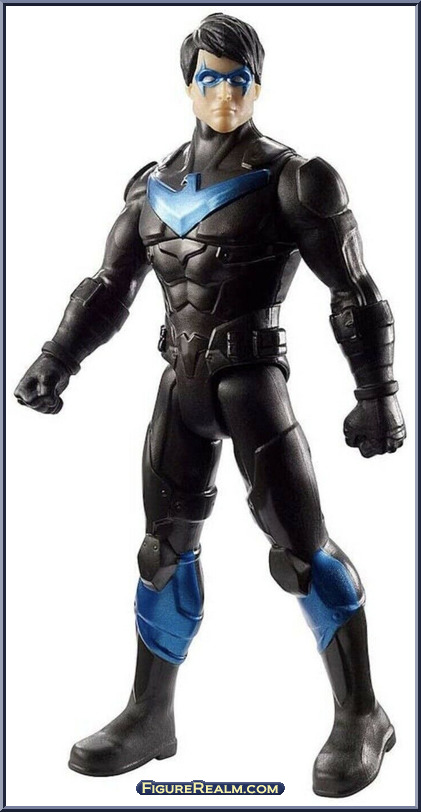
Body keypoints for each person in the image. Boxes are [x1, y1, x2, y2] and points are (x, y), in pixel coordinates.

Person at [14, 12, 406, 798]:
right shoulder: (151, 186)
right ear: (187, 84)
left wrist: (376, 394)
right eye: (208, 79)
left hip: (252, 384)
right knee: (163, 551)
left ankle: (361, 714)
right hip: (180, 387)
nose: (222, 94)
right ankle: (149, 714)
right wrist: (56, 359)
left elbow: (354, 293)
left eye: (237, 79)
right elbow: (108, 288)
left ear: (257, 84)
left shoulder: (297, 178)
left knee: (300, 552)